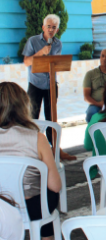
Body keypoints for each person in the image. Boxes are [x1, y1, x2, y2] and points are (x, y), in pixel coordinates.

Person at [0, 82, 62, 240]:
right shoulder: (37, 138)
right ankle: (47, 237)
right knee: (47, 195)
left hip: (2, 206)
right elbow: (55, 186)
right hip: (32, 208)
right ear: (23, 105)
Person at [22, 14, 75, 161]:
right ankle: (31, 148)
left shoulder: (58, 44)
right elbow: (26, 62)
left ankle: (55, 149)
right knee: (32, 117)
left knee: (52, 118)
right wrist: (41, 53)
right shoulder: (32, 41)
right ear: (43, 27)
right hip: (35, 85)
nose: (51, 30)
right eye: (49, 27)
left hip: (51, 85)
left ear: (57, 30)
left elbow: (56, 62)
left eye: (54, 27)